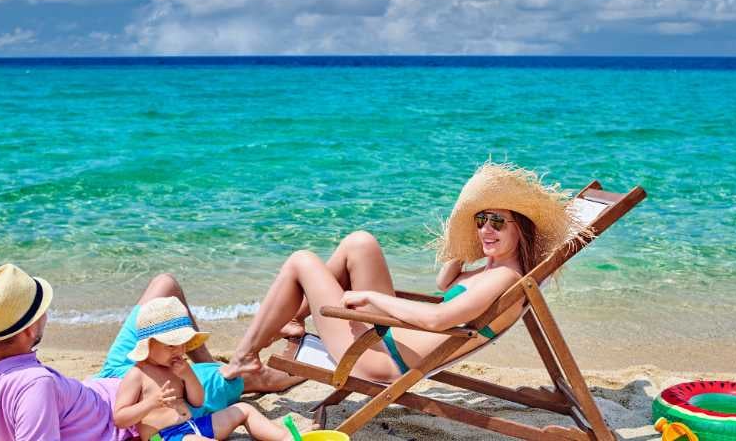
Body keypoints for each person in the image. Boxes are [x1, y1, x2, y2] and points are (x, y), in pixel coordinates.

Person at [221, 161, 581, 383]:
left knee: (302, 260)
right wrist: (465, 251)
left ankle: (246, 354)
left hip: (376, 359)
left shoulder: (505, 278)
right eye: (481, 220)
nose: (487, 229)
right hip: (390, 339)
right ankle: (294, 320)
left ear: (522, 229)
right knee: (360, 243)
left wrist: (372, 297)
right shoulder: (494, 269)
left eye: (498, 222)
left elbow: (440, 318)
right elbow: (445, 284)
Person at [0, 265, 299, 441]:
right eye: (43, 311)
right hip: (152, 397)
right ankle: (264, 372)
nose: (47, 315)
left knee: (165, 286)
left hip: (108, 380)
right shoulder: (33, 386)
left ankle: (205, 361)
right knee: (240, 379)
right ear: (28, 330)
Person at [114, 296, 291, 441]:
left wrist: (189, 376)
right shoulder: (138, 374)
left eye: (183, 344)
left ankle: (286, 438)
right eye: (171, 345)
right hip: (164, 437)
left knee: (244, 409)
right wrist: (150, 403)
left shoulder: (175, 368)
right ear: (149, 344)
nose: (180, 351)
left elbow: (198, 402)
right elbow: (120, 418)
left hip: (193, 426)